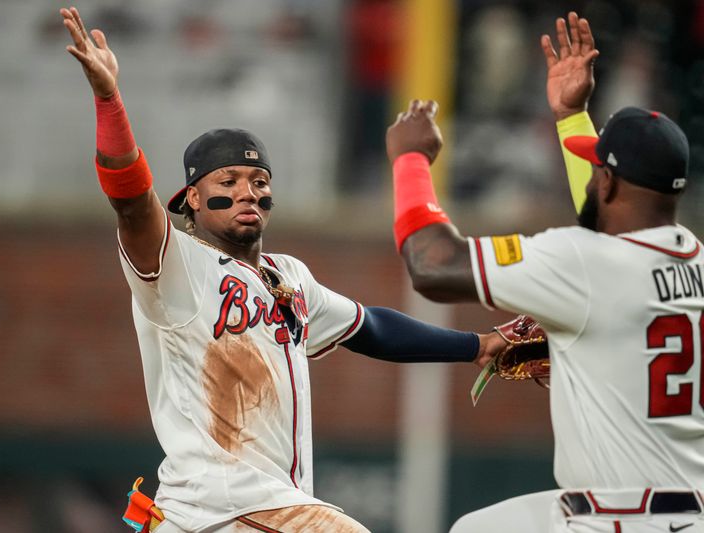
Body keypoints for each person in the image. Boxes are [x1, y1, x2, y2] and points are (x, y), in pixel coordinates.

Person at [59, 6, 508, 533]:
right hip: (220, 504)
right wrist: (109, 100)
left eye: (258, 179)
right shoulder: (175, 265)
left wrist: (479, 346)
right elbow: (131, 200)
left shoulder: (288, 275)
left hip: (245, 511)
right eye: (227, 179)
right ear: (192, 200)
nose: (247, 190)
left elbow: (372, 328)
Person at [386, 11, 704, 533]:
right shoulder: (690, 254)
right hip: (686, 508)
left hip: (620, 519)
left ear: (606, 182)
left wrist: (411, 162)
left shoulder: (584, 262)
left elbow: (432, 265)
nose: (592, 176)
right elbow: (611, 229)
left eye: (597, 166)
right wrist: (572, 115)